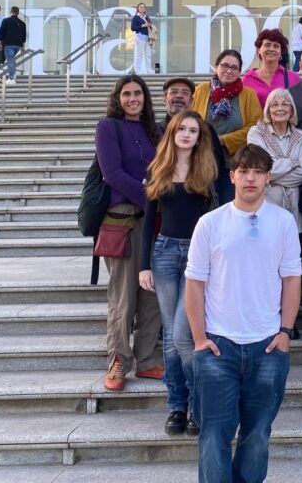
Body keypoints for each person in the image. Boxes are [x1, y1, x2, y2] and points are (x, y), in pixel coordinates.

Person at [185, 144, 302, 483]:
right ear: (232, 176)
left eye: (258, 172)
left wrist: (285, 332)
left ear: (268, 178)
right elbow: (194, 284)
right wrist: (199, 339)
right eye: (244, 171)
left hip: (267, 345)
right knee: (213, 436)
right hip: (218, 345)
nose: (251, 178)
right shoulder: (210, 223)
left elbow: (292, 279)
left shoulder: (283, 222)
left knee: (257, 435)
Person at [139, 110, 218, 437]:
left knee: (184, 336)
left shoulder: (208, 169)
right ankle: (176, 406)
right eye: (181, 129)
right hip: (165, 253)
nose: (186, 134)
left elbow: (217, 218)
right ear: (172, 133)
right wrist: (144, 264)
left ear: (200, 137)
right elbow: (148, 221)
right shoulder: (158, 168)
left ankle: (199, 404)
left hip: (197, 255)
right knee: (171, 338)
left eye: (193, 130)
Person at [97, 75, 164, 393]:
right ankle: (119, 361)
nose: (133, 98)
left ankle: (147, 359)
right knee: (123, 297)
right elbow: (112, 173)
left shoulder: (156, 130)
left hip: (157, 221)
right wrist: (149, 197)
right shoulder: (108, 127)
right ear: (118, 98)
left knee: (151, 295)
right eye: (127, 94)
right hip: (124, 218)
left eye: (138, 93)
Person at [161, 77, 233, 206]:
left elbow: (219, 168)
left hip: (201, 201)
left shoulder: (205, 129)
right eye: (173, 92)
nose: (179, 96)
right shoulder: (155, 130)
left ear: (191, 100)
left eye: (185, 93)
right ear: (164, 98)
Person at [247, 88, 302, 232]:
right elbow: (260, 169)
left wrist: (270, 177)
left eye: (285, 104)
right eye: (275, 105)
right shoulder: (256, 133)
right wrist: (292, 163)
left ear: (291, 110)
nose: (280, 108)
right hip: (265, 204)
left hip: (294, 208)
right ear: (268, 110)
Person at [192, 50, 263, 159]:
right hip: (201, 156)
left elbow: (256, 126)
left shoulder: (249, 94)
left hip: (236, 159)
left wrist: (224, 140)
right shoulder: (200, 90)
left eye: (234, 68)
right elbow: (190, 118)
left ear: (239, 72)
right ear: (216, 67)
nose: (229, 71)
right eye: (225, 65)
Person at [243, 28, 301, 108]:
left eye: (276, 46)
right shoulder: (247, 79)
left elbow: (297, 107)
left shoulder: (293, 78)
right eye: (267, 45)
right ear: (258, 50)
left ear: (281, 52)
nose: (271, 49)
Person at [0, 6, 27, 85]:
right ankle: (13, 74)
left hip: (8, 44)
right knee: (12, 60)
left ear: (11, 12)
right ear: (18, 13)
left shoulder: (6, 20)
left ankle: (12, 78)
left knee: (10, 60)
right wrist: (23, 46)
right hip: (18, 45)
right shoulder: (22, 23)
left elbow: (1, 31)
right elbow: (24, 35)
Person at [131, 3, 153, 75]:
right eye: (141, 7)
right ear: (138, 8)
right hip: (140, 36)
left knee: (148, 54)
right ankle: (138, 70)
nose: (142, 8)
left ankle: (149, 70)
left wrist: (149, 25)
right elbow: (133, 28)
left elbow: (150, 26)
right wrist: (142, 25)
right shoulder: (135, 17)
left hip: (148, 37)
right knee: (140, 54)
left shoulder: (147, 17)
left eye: (144, 7)